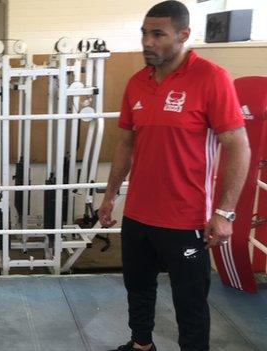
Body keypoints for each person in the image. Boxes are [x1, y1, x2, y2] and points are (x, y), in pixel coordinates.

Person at [98, 1, 251, 350]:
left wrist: (225, 213)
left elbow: (238, 146)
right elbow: (125, 143)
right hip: (138, 213)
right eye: (144, 34)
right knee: (137, 288)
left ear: (183, 35)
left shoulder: (212, 79)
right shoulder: (137, 83)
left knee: (190, 303)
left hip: (187, 219)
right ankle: (141, 345)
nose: (147, 42)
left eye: (158, 34)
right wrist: (110, 196)